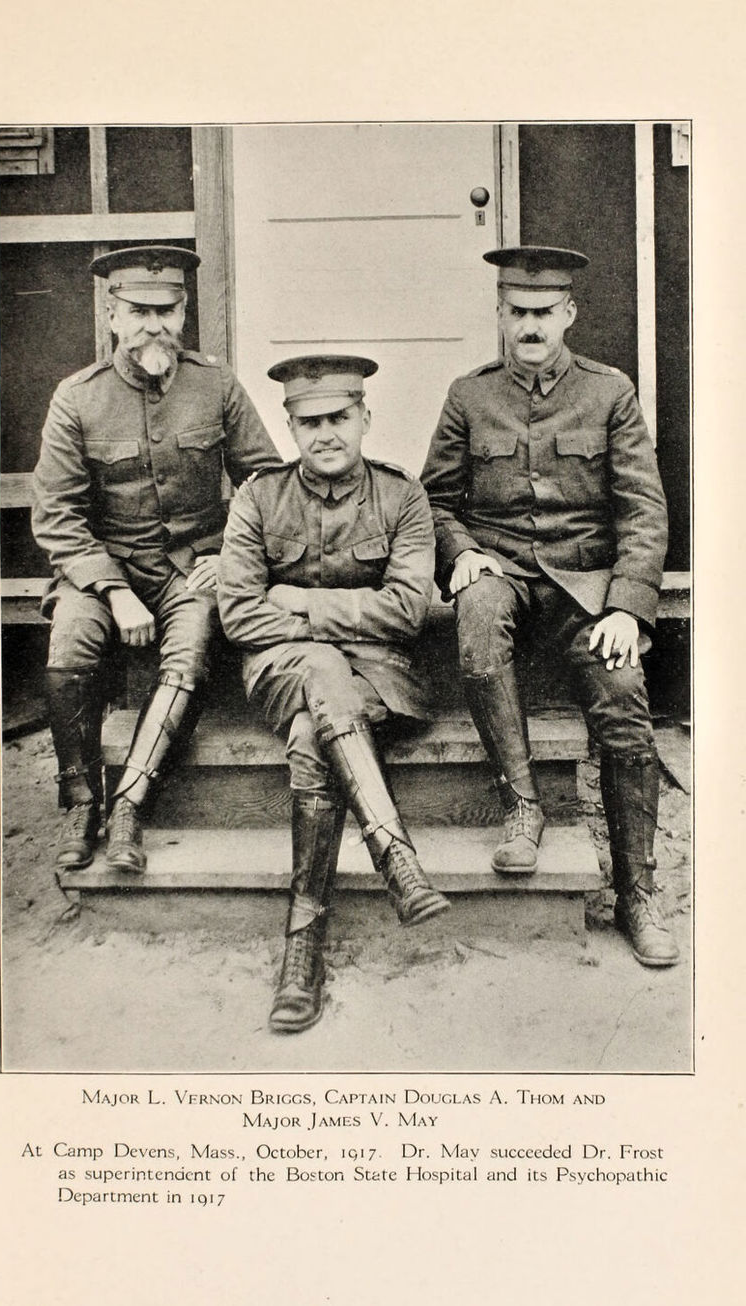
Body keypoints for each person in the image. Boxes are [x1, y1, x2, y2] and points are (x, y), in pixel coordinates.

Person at [420, 245, 678, 967]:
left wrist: (629, 606)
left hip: (586, 584)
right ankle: (523, 804)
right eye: (517, 313)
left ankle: (636, 891)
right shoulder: (469, 395)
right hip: (501, 568)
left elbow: (643, 510)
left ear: (568, 314)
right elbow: (434, 501)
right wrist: (461, 552)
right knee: (474, 614)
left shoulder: (610, 392)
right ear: (500, 315)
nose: (530, 326)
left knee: (624, 694)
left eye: (543, 313)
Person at [32, 245, 282, 874]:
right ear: (112, 315)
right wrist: (112, 592)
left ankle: (129, 807)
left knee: (192, 645)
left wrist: (229, 555)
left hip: (191, 566)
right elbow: (57, 517)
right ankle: (80, 801)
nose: (154, 325)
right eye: (138, 311)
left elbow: (268, 486)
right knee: (68, 645)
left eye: (166, 310)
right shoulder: (76, 398)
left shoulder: (216, 385)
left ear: (184, 312)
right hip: (101, 568)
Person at [217, 354, 449, 1032]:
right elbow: (237, 613)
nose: (325, 433)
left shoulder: (403, 497)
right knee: (318, 666)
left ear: (365, 419)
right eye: (309, 421)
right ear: (289, 426)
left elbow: (407, 610)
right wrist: (342, 614)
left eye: (339, 418)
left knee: (311, 729)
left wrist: (299, 600)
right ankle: (395, 856)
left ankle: (302, 947)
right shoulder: (257, 498)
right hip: (280, 669)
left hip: (383, 676)